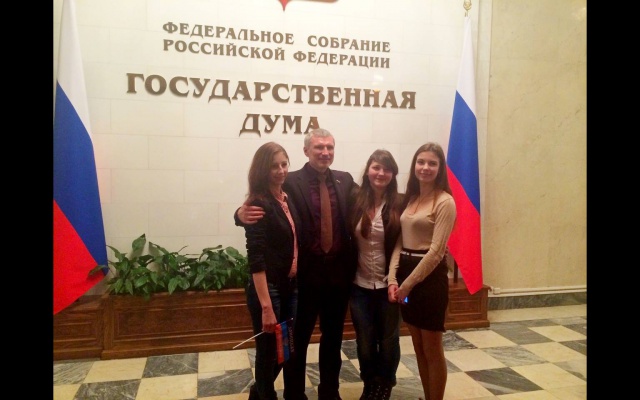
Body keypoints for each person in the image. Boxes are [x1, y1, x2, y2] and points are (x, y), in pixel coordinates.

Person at [236, 128, 358, 400]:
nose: (325, 152)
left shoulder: (345, 180)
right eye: (319, 147)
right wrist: (239, 214)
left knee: (333, 338)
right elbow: (261, 204)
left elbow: (370, 201)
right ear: (306, 151)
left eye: (329, 147)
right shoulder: (289, 180)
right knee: (294, 342)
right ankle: (294, 394)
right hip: (303, 279)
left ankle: (330, 392)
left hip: (337, 278)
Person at [387, 142, 456, 400]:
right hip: (406, 277)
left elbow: (437, 252)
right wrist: (393, 278)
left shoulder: (445, 201)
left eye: (432, 163)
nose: (425, 167)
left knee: (432, 349)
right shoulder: (412, 198)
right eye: (421, 162)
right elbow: (400, 241)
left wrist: (407, 285)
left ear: (440, 169)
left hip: (428, 280)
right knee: (417, 346)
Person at [242, 142, 302, 400]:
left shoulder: (287, 197)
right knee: (268, 352)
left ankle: (259, 392)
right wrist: (266, 306)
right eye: (274, 166)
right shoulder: (258, 203)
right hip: (270, 291)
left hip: (291, 288)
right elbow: (256, 259)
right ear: (262, 169)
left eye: (284, 164)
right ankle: (265, 395)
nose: (281, 170)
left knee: (285, 349)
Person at [348, 150, 405, 400]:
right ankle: (369, 383)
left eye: (386, 169)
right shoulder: (354, 199)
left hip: (390, 285)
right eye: (376, 167)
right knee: (365, 340)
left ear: (393, 174)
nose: (381, 173)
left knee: (389, 339)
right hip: (358, 285)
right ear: (368, 170)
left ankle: (385, 384)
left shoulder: (401, 203)